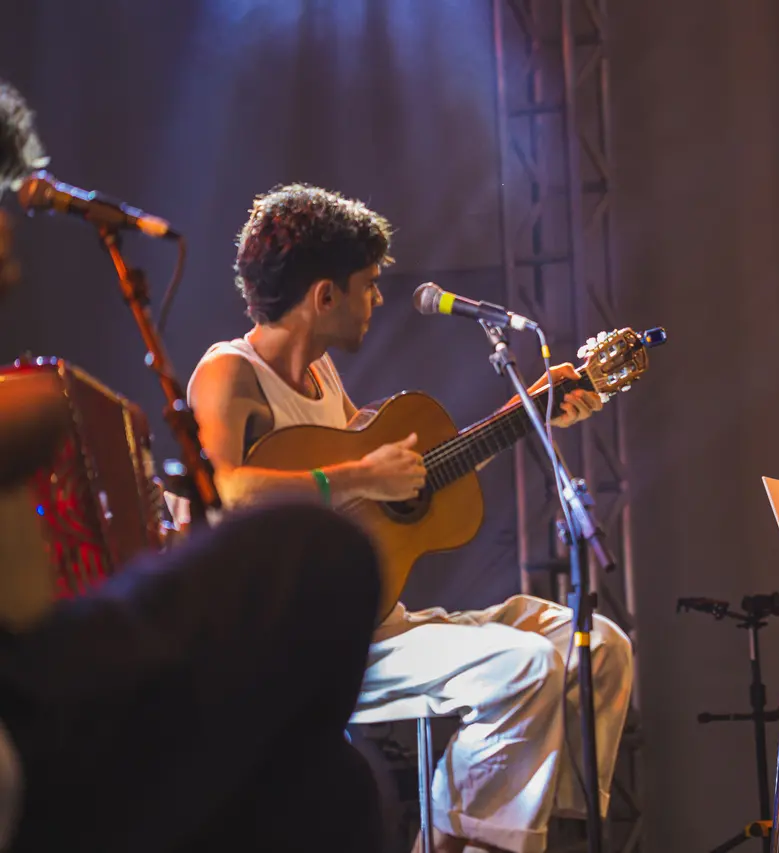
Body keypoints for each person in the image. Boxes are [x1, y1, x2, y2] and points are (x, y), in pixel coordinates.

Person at [185, 183, 634, 853]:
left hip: (378, 621)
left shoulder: (324, 377)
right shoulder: (229, 372)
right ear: (323, 296)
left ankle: (504, 834)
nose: (380, 299)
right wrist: (362, 476)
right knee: (526, 664)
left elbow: (406, 480)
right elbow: (217, 491)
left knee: (596, 646)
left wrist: (528, 411)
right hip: (305, 642)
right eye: (369, 284)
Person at [0, 76, 387, 852]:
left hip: (39, 661)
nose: (11, 266)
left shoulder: (326, 380)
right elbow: (231, 488)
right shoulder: (230, 369)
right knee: (312, 555)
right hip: (34, 697)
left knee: (331, 785)